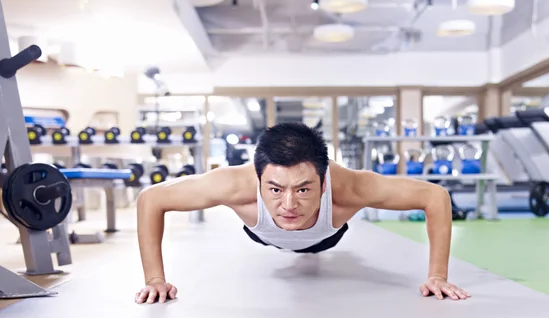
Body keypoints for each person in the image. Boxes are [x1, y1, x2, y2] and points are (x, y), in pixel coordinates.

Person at [135, 122, 471, 305]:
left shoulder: (349, 188)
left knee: (314, 243)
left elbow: (435, 196)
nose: (290, 205)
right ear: (258, 179)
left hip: (326, 236)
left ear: (325, 183)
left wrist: (437, 275)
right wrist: (154, 280)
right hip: (262, 232)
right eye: (276, 189)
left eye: (304, 189)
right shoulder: (234, 185)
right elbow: (151, 199)